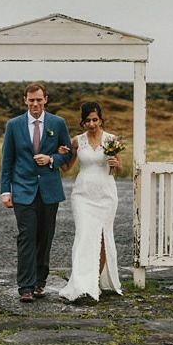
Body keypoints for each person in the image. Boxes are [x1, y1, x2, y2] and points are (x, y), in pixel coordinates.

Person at [0, 83, 73, 303]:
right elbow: (7, 160)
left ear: (46, 100)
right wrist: (5, 191)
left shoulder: (57, 123)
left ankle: (41, 281)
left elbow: (68, 153)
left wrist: (52, 158)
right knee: (26, 237)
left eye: (39, 100)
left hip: (49, 190)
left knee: (45, 238)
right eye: (31, 100)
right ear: (25, 100)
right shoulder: (13, 125)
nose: (35, 104)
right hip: (23, 190)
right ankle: (25, 287)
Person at [58, 101, 123, 302]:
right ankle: (81, 283)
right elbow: (67, 168)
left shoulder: (112, 140)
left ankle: (94, 281)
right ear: (83, 122)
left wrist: (117, 164)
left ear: (101, 119)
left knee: (103, 237)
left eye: (95, 119)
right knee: (85, 235)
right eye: (87, 120)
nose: (92, 124)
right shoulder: (77, 141)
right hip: (83, 195)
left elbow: (118, 170)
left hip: (106, 194)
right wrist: (61, 155)